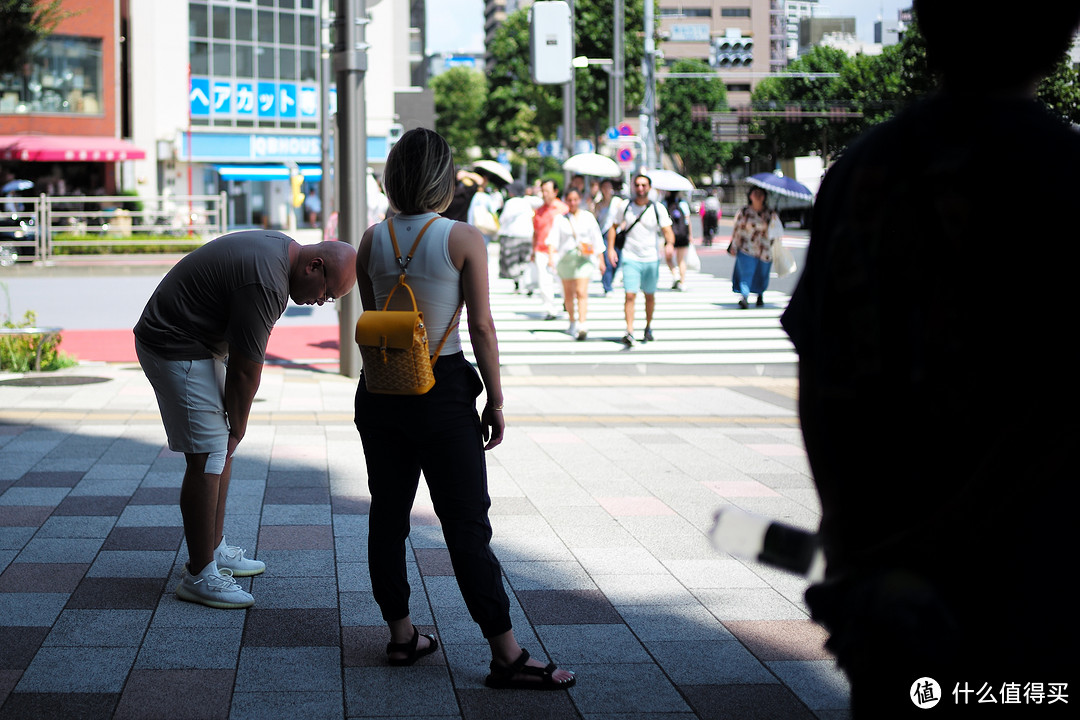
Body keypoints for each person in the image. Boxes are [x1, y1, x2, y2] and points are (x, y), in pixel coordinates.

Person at [781, 1, 1080, 716]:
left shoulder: (862, 171)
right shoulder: (1062, 169)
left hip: (885, 555)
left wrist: (852, 540)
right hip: (1031, 560)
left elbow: (819, 370)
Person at [353, 128, 575, 690]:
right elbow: (481, 327)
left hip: (381, 392)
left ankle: (402, 637)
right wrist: (495, 399)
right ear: (444, 177)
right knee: (465, 525)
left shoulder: (370, 240)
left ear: (395, 175)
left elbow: (380, 316)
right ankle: (506, 655)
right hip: (444, 390)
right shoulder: (462, 238)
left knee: (388, 515)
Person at [133, 233, 357, 609]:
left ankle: (213, 550)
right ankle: (199, 575)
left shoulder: (281, 254)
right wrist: (237, 427)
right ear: (313, 266)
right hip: (173, 343)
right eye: (327, 293)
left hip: (195, 342)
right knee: (208, 455)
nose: (322, 301)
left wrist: (232, 432)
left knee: (220, 451)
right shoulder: (267, 281)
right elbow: (245, 371)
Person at [606, 174, 674, 346]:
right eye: (637, 185)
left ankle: (648, 326)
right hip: (630, 256)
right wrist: (611, 249)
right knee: (630, 295)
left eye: (644, 185)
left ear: (649, 188)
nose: (640, 188)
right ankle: (629, 331)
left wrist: (669, 244)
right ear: (633, 187)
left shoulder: (658, 208)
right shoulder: (625, 206)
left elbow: (668, 232)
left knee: (649, 295)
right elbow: (613, 228)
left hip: (651, 258)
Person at [551, 187, 603, 340]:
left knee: (581, 291)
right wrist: (550, 257)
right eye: (569, 200)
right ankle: (572, 320)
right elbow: (553, 240)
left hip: (583, 259)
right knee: (568, 293)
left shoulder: (588, 217)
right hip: (566, 259)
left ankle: (582, 323)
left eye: (575, 199)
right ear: (566, 201)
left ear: (580, 200)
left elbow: (596, 238)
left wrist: (601, 259)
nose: (573, 203)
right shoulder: (560, 219)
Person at [728, 186, 781, 308]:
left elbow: (776, 232)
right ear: (750, 196)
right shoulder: (744, 212)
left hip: (765, 249)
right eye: (754, 193)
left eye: (760, 194)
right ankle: (744, 296)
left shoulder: (770, 213)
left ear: (764, 197)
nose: (757, 196)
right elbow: (737, 230)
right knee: (746, 272)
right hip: (747, 248)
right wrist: (734, 245)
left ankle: (760, 293)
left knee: (762, 273)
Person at [529, 179, 568, 320]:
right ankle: (550, 308)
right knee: (543, 280)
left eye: (547, 191)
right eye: (543, 191)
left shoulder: (563, 209)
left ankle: (567, 301)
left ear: (555, 192)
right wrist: (533, 251)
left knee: (562, 280)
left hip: (559, 251)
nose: (544, 194)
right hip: (541, 249)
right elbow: (535, 232)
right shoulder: (539, 211)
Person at [496, 182, 538, 292]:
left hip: (513, 235)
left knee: (513, 261)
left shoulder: (511, 202)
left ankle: (518, 283)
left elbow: (503, 218)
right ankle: (526, 282)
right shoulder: (528, 202)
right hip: (527, 235)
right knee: (524, 260)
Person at [593, 178, 623, 295]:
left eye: (608, 187)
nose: (607, 190)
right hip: (604, 234)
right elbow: (596, 219)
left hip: (617, 233)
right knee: (607, 259)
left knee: (617, 258)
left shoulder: (618, 202)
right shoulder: (598, 204)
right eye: (604, 187)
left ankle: (611, 278)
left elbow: (623, 215)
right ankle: (607, 285)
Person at [664, 191, 692, 290]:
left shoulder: (664, 203)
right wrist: (690, 235)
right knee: (681, 259)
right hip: (683, 234)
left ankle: (675, 274)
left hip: (670, 234)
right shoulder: (683, 203)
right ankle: (682, 282)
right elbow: (688, 221)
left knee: (668, 258)